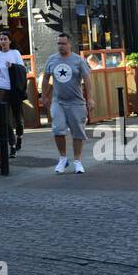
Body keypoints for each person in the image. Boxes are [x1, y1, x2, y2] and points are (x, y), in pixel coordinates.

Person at [40, 32, 92, 175]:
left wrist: (90, 98)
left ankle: (77, 161)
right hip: (58, 102)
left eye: (63, 43)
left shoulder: (78, 60)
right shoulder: (52, 60)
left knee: (78, 132)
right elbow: (45, 79)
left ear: (70, 44)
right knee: (58, 130)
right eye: (58, 43)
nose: (60, 46)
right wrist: (44, 96)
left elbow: (87, 79)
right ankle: (63, 158)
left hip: (76, 102)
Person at [0, 31, 27, 153]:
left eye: (5, 39)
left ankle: (19, 137)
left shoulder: (15, 53)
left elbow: (22, 69)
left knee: (17, 117)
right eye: (1, 39)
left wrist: (13, 66)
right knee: (4, 119)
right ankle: (12, 144)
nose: (3, 41)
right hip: (2, 90)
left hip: (14, 89)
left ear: (10, 41)